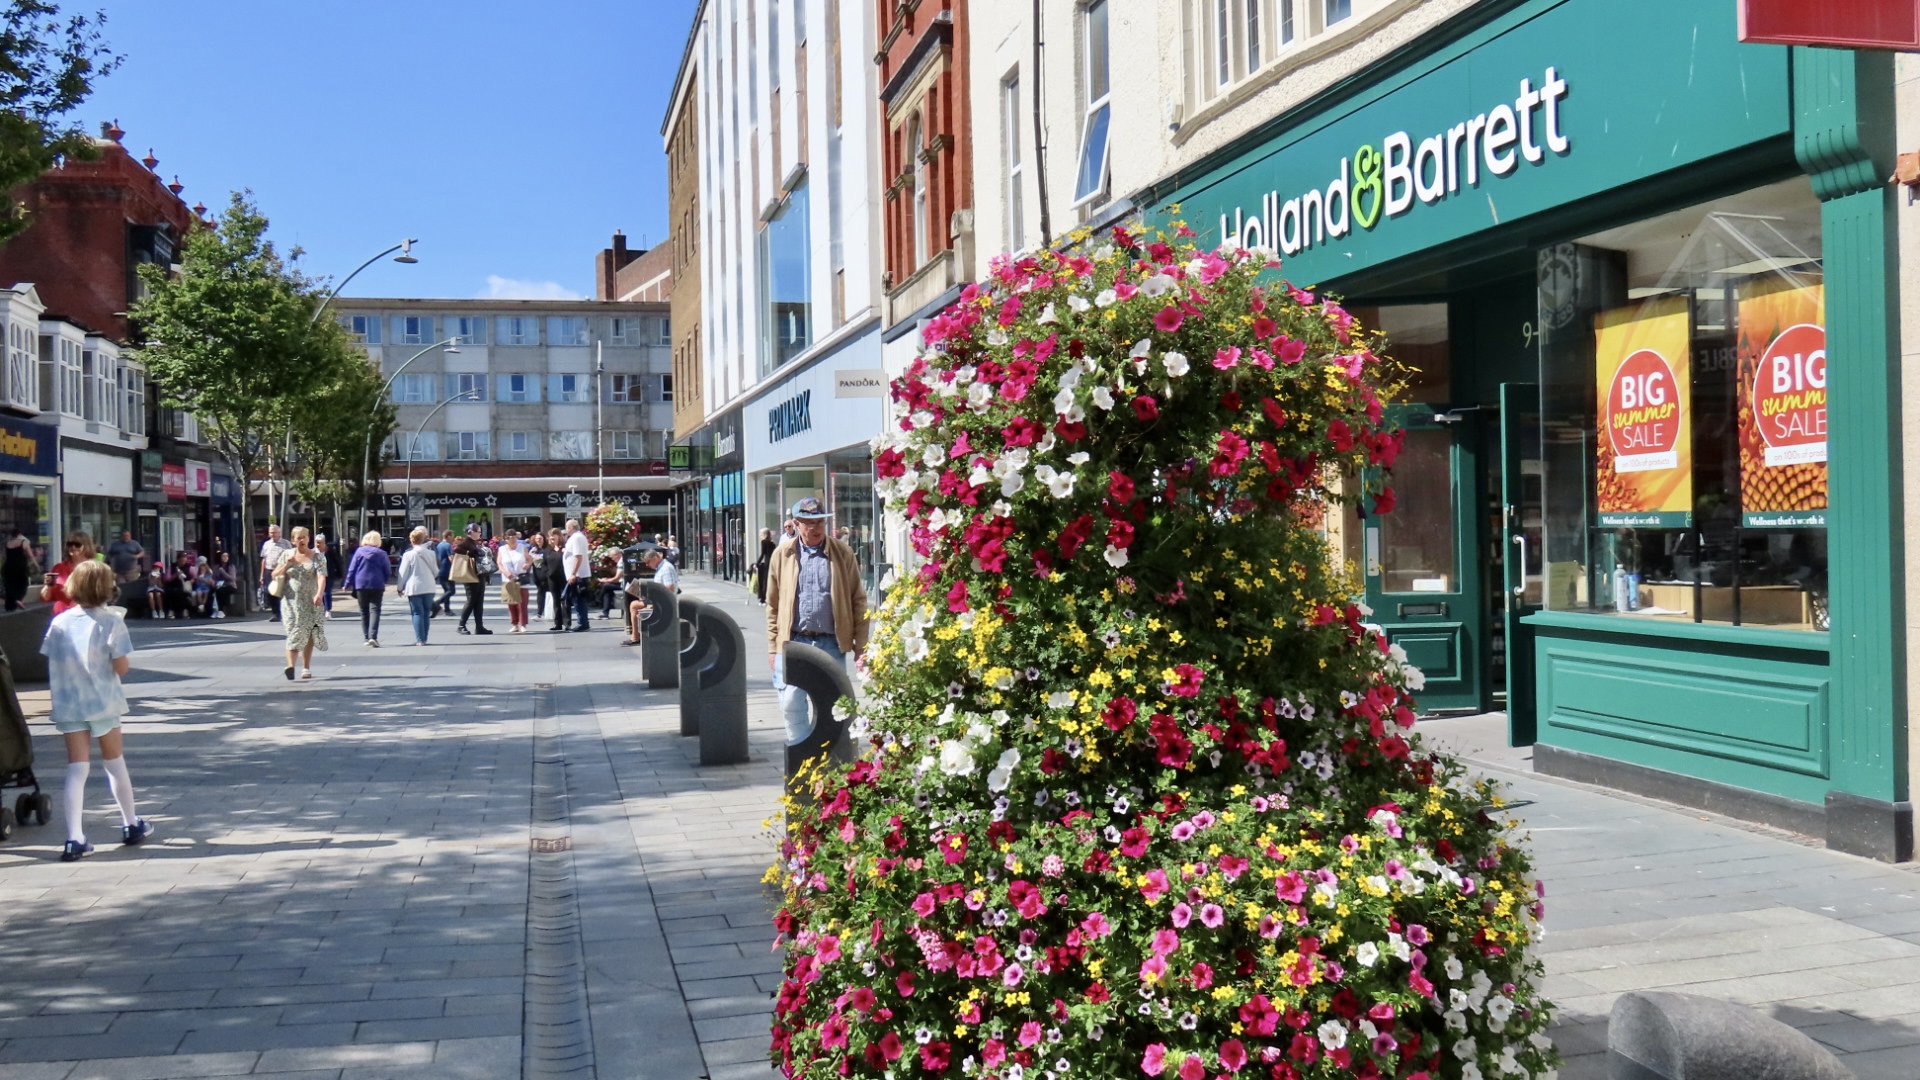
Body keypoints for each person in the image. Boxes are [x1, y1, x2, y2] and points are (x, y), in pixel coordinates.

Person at [41, 560, 149, 862]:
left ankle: (74, 838)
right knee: (114, 763)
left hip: (68, 702)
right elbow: (121, 666)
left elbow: (50, 657)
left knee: (77, 768)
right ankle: (130, 823)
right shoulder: (112, 621)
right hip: (103, 700)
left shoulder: (60, 622)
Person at [765, 497, 870, 744]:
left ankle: (836, 755)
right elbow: (772, 604)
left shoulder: (842, 553)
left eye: (820, 522)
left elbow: (858, 600)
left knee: (837, 703)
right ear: (797, 524)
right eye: (809, 522)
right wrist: (772, 647)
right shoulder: (783, 554)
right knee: (791, 700)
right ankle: (801, 753)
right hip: (794, 642)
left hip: (831, 643)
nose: (816, 527)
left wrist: (860, 646)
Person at [272, 525, 328, 680]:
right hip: (289, 602)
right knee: (293, 631)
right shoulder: (286, 555)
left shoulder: (317, 557)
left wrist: (319, 594)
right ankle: (290, 666)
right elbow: (274, 574)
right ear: (293, 540)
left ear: (309, 538)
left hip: (310, 601)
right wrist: (287, 564)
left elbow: (321, 577)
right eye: (299, 537)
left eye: (305, 536)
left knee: (308, 633)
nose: (302, 540)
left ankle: (305, 667)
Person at [621, 548, 678, 647]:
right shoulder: (661, 567)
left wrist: (651, 595)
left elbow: (670, 588)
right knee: (635, 603)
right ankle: (635, 635)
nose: (647, 565)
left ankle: (635, 637)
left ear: (655, 558)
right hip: (659, 599)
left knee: (634, 605)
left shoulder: (666, 568)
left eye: (648, 562)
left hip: (664, 601)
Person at [394, 526, 440, 646]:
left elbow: (402, 573)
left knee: (417, 613)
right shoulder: (431, 553)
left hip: (414, 587)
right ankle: (425, 637)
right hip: (429, 586)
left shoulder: (408, 555)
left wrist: (400, 587)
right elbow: (436, 571)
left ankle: (420, 639)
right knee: (425, 613)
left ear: (411, 540)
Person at [345, 530, 391, 646]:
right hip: (377, 584)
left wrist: (347, 583)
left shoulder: (359, 552)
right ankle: (373, 636)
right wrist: (384, 580)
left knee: (364, 612)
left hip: (361, 584)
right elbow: (387, 570)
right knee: (375, 610)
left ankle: (366, 637)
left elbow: (352, 568)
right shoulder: (381, 553)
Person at [41, 532, 99, 616]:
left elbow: (100, 595)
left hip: (86, 615)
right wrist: (48, 586)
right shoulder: (59, 568)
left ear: (86, 546)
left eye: (77, 544)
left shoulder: (94, 568)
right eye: (70, 544)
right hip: (61, 615)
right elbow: (45, 598)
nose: (73, 547)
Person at [451, 532, 493, 635]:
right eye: (477, 531)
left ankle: (479, 626)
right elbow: (457, 549)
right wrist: (469, 553)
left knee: (479, 602)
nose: (479, 533)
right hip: (470, 575)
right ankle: (461, 625)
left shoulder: (476, 543)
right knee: (471, 600)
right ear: (471, 533)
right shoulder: (467, 542)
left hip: (480, 574)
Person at [561, 517, 592, 632]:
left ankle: (583, 622)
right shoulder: (575, 538)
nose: (566, 530)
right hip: (576, 574)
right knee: (576, 599)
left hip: (578, 575)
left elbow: (578, 556)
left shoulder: (577, 538)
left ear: (570, 527)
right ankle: (582, 621)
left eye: (566, 528)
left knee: (578, 599)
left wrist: (573, 573)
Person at [258, 524, 292, 622]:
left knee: (283, 592)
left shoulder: (286, 543)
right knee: (271, 592)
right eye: (271, 532)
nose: (273, 534)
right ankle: (275, 614)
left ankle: (286, 613)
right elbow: (264, 560)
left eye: (275, 532)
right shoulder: (266, 544)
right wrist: (261, 575)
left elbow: (290, 558)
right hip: (269, 571)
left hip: (282, 571)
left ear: (279, 532)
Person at [497, 533, 530, 633]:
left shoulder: (522, 547)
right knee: (511, 602)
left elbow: (529, 559)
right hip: (508, 579)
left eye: (514, 537)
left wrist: (527, 564)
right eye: (510, 538)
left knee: (522, 603)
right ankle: (515, 624)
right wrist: (505, 572)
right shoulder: (502, 549)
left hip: (521, 577)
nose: (513, 540)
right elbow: (499, 563)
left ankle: (523, 624)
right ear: (506, 539)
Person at [4, 528, 35, 610]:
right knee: (23, 584)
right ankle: (18, 599)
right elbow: (30, 555)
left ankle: (10, 606)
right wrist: (35, 564)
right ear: (20, 534)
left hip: (8, 567)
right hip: (20, 567)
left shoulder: (8, 543)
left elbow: (5, 556)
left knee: (10, 586)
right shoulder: (23, 542)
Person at [545, 527, 570, 630]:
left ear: (559, 537)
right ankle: (557, 623)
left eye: (554, 536)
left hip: (564, 577)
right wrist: (547, 573)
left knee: (565, 600)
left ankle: (567, 623)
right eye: (550, 536)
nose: (552, 538)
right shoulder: (548, 549)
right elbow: (544, 563)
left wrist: (561, 551)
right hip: (552, 578)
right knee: (556, 601)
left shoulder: (565, 548)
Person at [314, 534, 341, 620]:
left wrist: (339, 574)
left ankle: (328, 610)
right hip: (317, 576)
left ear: (324, 543)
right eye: (316, 542)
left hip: (329, 575)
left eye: (320, 542)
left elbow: (338, 562)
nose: (318, 544)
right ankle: (320, 610)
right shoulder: (313, 552)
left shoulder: (330, 551)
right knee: (318, 592)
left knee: (327, 592)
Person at [433, 529, 456, 616]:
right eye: (452, 536)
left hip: (440, 570)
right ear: (448, 536)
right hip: (448, 570)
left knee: (447, 591)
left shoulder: (439, 545)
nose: (453, 538)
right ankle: (437, 603)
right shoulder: (448, 545)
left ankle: (447, 609)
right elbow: (451, 558)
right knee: (451, 591)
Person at [209, 551, 238, 618]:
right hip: (219, 585)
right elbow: (214, 577)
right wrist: (214, 582)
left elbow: (232, 578)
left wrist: (223, 571)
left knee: (221, 591)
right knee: (212, 591)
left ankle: (221, 610)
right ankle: (214, 610)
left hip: (230, 585)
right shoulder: (217, 566)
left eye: (226, 556)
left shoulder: (231, 566)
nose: (225, 558)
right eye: (223, 556)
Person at [753, 527, 775, 605]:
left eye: (760, 534)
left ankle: (763, 598)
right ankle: (768, 597)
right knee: (769, 580)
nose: (759, 535)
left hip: (767, 562)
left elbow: (762, 554)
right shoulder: (772, 543)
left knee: (764, 581)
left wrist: (756, 563)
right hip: (772, 562)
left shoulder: (764, 542)